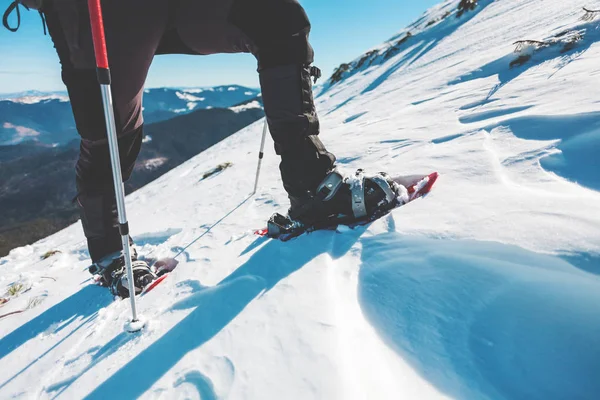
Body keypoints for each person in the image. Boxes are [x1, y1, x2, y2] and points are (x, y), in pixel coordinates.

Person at [4, 0, 403, 297]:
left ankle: (314, 187)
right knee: (108, 127)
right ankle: (110, 253)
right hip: (102, 10)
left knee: (277, 20)